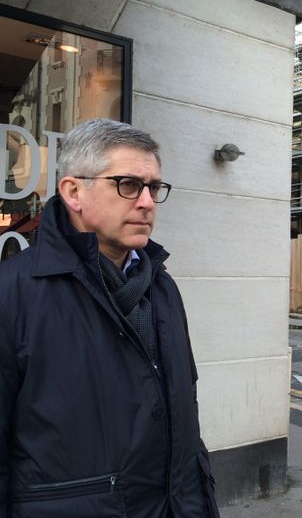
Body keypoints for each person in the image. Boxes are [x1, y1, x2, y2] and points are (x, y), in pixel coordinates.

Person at [0, 119, 220, 517]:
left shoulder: (162, 287)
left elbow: (183, 416)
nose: (147, 202)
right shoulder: (13, 292)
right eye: (128, 185)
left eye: (153, 187)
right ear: (73, 192)